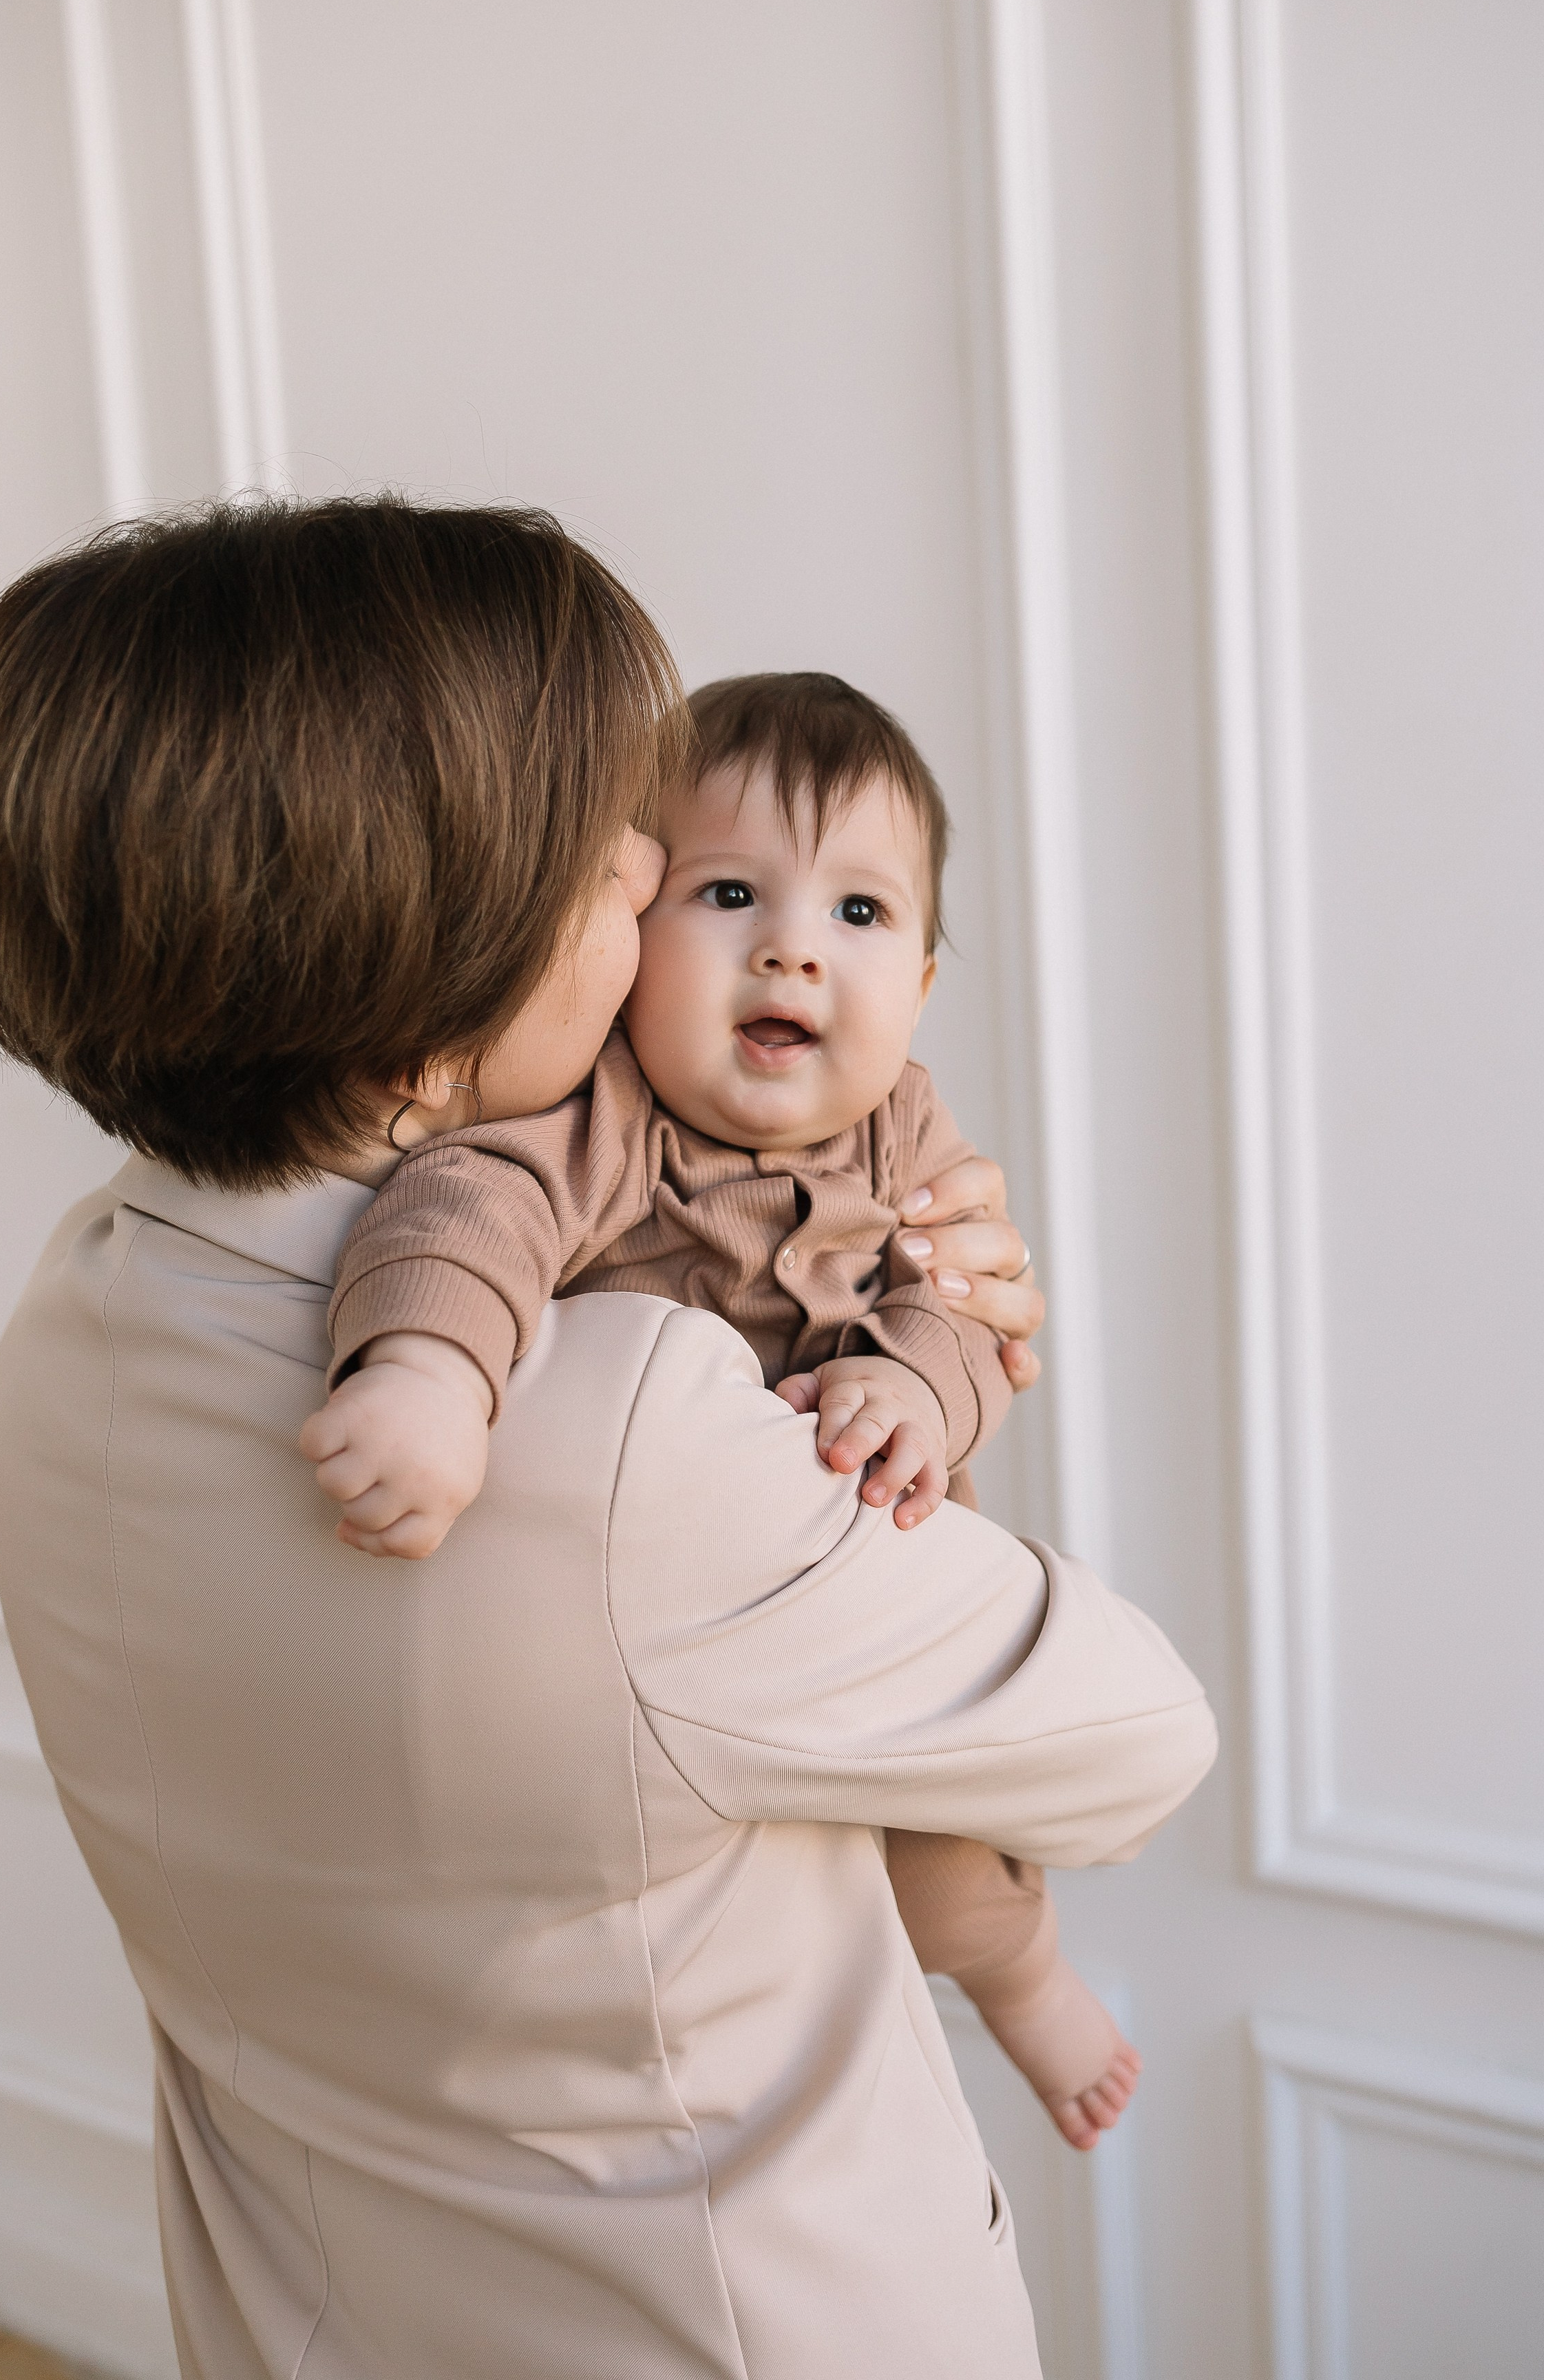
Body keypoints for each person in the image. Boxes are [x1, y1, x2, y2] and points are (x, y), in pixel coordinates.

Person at [0, 498, 1216, 2379]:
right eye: (602, 862)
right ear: (422, 1048)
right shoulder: (627, 1440)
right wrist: (977, 1352)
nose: (649, 867)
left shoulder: (72, 1322)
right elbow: (1137, 1738)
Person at [306, 669, 1139, 2149]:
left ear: (927, 983)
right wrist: (426, 1375)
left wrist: (916, 1386)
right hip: (663, 1652)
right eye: (732, 893)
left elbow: (957, 1301)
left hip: (868, 1591)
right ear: (627, 938)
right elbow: (468, 1215)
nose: (793, 956)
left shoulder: (907, 1127)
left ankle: (1028, 1982)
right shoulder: (602, 1118)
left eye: (860, 917)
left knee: (944, 1872)